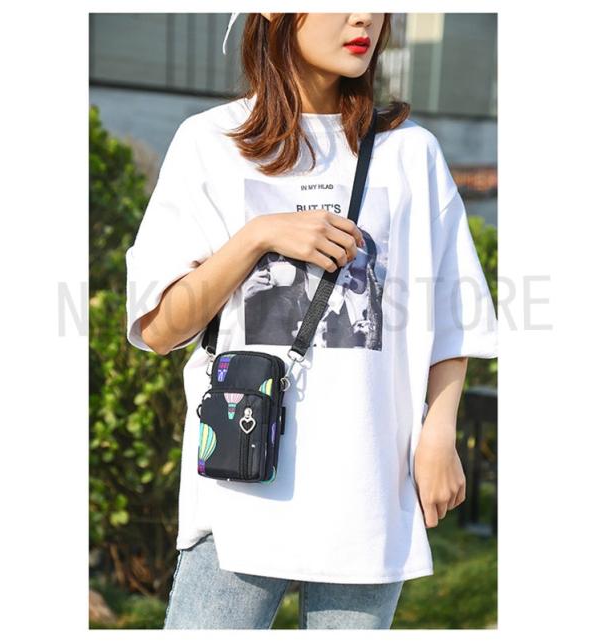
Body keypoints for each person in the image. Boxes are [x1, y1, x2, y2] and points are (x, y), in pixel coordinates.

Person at [124, 12, 498, 630]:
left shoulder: (410, 153)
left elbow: (452, 312)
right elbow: (161, 328)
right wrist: (259, 236)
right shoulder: (210, 141)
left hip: (368, 490)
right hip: (239, 486)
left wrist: (439, 433)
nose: (365, 16)